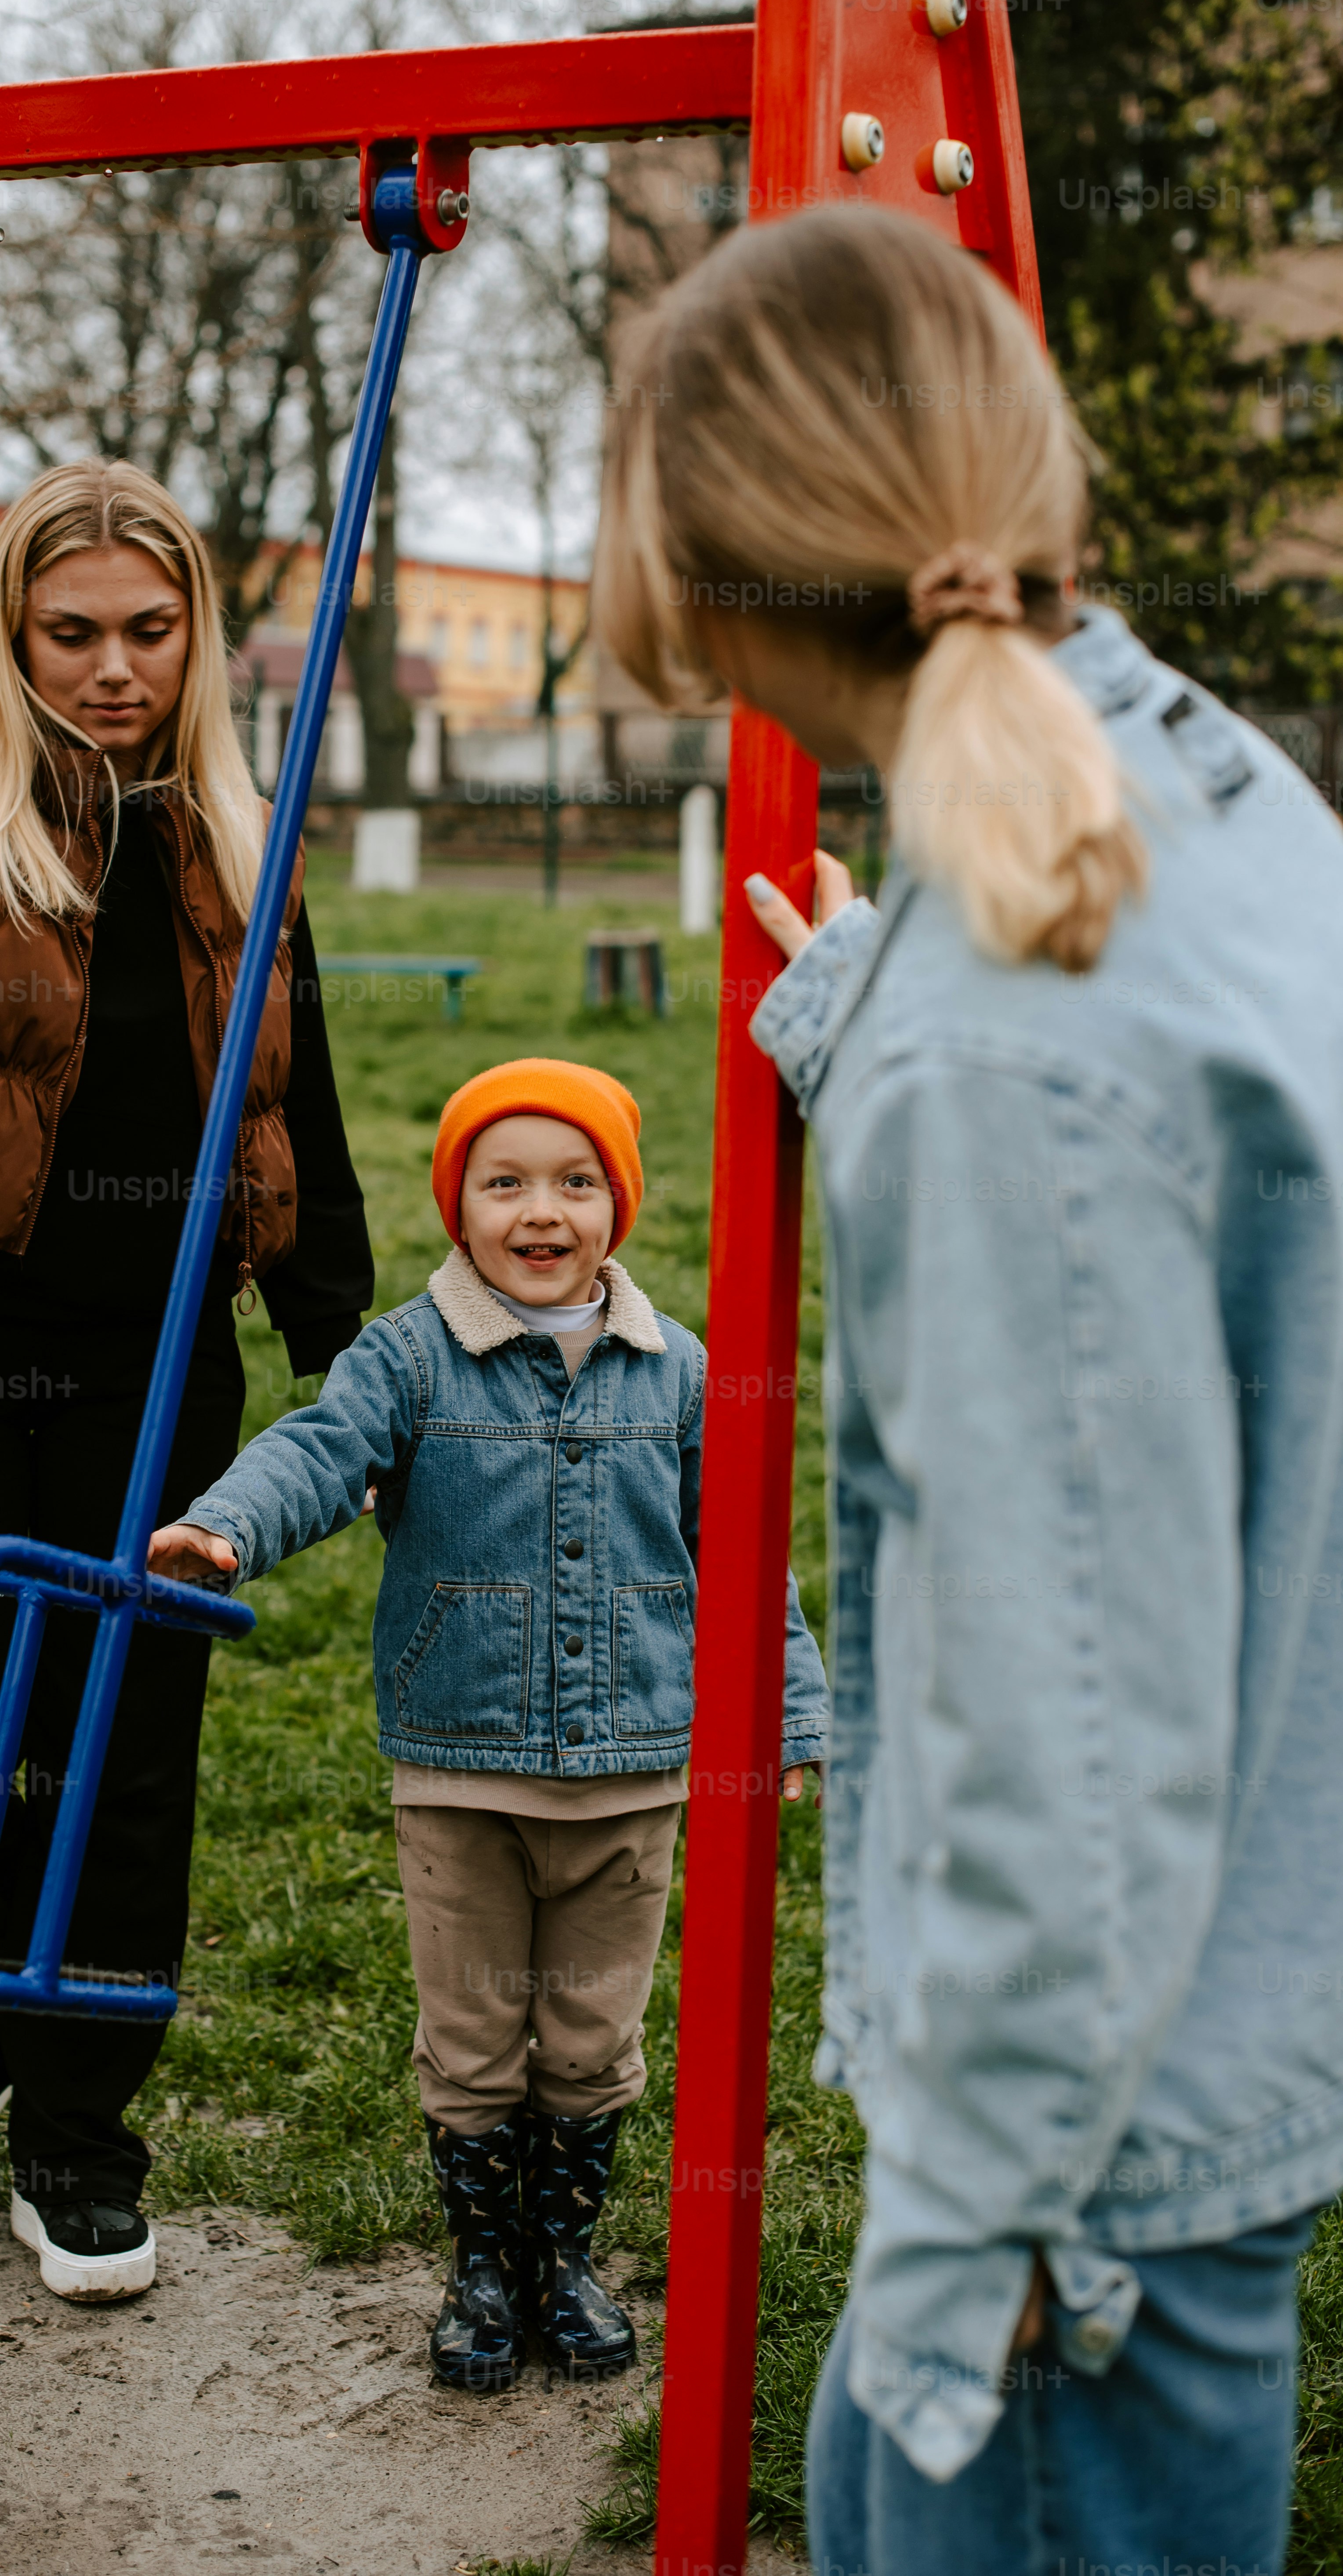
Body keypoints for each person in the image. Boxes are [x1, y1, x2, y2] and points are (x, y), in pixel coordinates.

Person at [595, 200, 1343, 2575]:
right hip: (1216, 2025)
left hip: (1079, 2180)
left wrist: (977, 2236)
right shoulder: (1211, 795)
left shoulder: (1004, 1065)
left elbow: (1065, 1738)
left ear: (707, 573)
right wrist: (876, 1012)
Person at [0, 460, 372, 2304]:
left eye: (146, 629)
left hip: (151, 1350)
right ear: (12, 644)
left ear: (192, 638)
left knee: (119, 1730)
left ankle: (82, 2125)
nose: (111, 667)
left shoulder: (239, 841)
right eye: (70, 633)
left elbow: (302, 1097)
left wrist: (332, 1339)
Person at [148, 1058, 829, 2387]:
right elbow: (317, 1450)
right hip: (459, 1773)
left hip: (631, 1780)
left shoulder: (676, 1371)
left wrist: (788, 1712)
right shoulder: (408, 1355)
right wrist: (228, 1525)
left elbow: (740, 1551)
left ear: (618, 1207)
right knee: (472, 2039)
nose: (542, 1210)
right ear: (457, 1204)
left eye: (577, 1183)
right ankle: (479, 2266)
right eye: (504, 1181)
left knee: (588, 2037)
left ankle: (560, 2258)